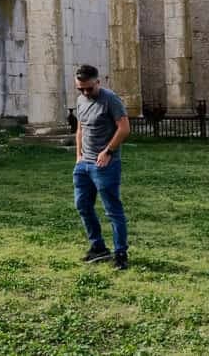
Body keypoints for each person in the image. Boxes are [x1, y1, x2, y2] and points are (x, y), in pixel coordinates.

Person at [73, 64, 131, 270]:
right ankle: (98, 248)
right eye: (81, 89)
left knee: (112, 210)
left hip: (105, 164)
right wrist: (78, 155)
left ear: (98, 82)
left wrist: (108, 151)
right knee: (82, 205)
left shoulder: (110, 99)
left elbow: (124, 129)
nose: (85, 92)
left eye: (89, 88)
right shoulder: (80, 100)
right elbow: (80, 129)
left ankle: (121, 254)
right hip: (83, 165)